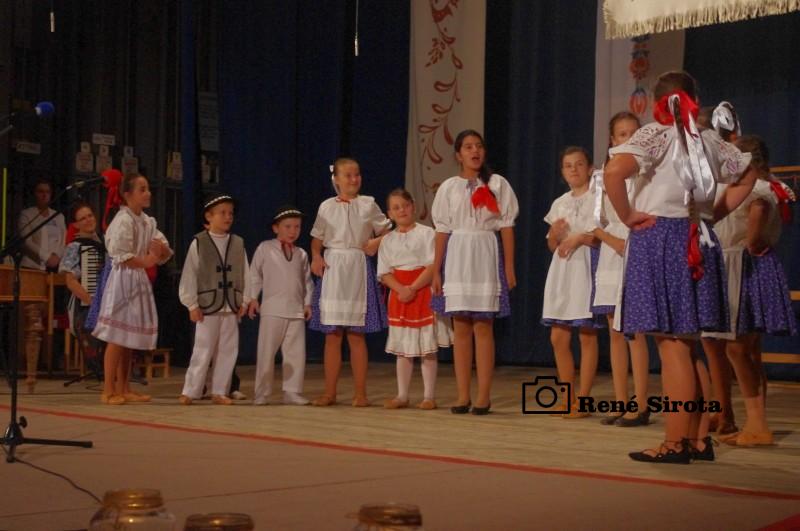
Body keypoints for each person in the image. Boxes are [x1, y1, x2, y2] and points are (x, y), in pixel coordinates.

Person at [604, 71, 759, 463]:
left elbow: (613, 172)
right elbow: (748, 173)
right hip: (699, 236)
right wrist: (713, 213)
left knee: (672, 345)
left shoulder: (657, 134)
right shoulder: (708, 139)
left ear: (659, 102)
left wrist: (627, 216)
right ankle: (699, 438)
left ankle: (675, 443)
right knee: (688, 346)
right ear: (694, 100)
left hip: (661, 237)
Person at [709, 135, 797, 447]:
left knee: (738, 349)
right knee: (747, 350)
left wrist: (749, 243)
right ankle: (755, 421)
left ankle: (758, 425)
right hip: (741, 263)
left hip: (742, 264)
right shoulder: (762, 187)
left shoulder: (757, 189)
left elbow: (757, 224)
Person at [430, 130, 518, 415]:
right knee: (461, 327)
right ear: (458, 155)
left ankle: (483, 395)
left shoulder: (497, 183)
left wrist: (509, 266)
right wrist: (436, 270)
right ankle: (462, 394)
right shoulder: (448, 187)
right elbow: (442, 230)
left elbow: (506, 226)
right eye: (468, 147)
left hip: (484, 253)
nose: (474, 151)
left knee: (483, 326)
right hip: (458, 256)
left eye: (478, 146)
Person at [309, 158, 392, 407]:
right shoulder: (326, 206)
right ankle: (329, 393)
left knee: (357, 334)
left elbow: (387, 231)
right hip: (334, 267)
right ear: (336, 179)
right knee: (332, 335)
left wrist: (376, 242)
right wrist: (316, 256)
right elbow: (317, 238)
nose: (354, 179)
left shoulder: (368, 204)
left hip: (357, 266)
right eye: (348, 175)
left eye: (357, 174)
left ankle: (361, 393)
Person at [591, 113, 651, 427]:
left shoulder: (646, 172)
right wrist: (611, 240)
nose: (628, 138)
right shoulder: (601, 176)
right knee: (615, 330)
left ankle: (641, 404)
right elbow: (593, 220)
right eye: (622, 134)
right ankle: (620, 401)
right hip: (612, 251)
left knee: (633, 330)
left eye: (633, 133)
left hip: (637, 245)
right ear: (613, 140)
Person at [92, 173, 173, 405]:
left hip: (137, 279)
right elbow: (121, 254)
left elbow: (162, 246)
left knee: (128, 337)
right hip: (123, 279)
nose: (148, 193)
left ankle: (124, 387)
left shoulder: (147, 221)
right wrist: (148, 260)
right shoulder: (123, 219)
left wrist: (160, 251)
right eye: (142, 189)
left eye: (148, 189)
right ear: (127, 194)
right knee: (116, 336)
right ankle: (108, 389)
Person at [541, 146, 601, 417]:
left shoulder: (598, 198)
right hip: (563, 271)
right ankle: (567, 396)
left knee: (587, 334)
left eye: (579, 164)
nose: (574, 169)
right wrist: (555, 234)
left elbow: (601, 237)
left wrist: (579, 238)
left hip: (586, 266)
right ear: (562, 172)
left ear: (590, 168)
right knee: (558, 336)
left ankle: (584, 399)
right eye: (568, 165)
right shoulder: (560, 203)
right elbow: (552, 245)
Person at [378, 189, 450, 410]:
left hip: (422, 292)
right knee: (403, 349)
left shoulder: (428, 233)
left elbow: (432, 265)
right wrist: (401, 289)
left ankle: (429, 396)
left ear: (414, 206)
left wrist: (413, 287)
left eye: (405, 205)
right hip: (400, 295)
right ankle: (402, 395)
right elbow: (384, 272)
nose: (402, 210)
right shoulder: (387, 240)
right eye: (396, 208)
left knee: (427, 349)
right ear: (389, 214)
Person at [178, 193, 249, 406]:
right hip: (208, 305)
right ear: (209, 216)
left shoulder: (238, 243)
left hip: (231, 305)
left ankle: (220, 391)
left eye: (230, 213)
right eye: (222, 213)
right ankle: (190, 390)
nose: (228, 217)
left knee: (228, 350)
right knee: (203, 348)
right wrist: (191, 304)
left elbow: (246, 274)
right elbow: (190, 274)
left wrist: (245, 300)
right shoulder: (199, 242)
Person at [247, 205, 314, 406]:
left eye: (297, 227)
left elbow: (307, 281)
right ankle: (262, 392)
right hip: (272, 310)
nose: (293, 231)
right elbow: (255, 274)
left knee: (295, 354)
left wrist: (307, 303)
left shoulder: (301, 253)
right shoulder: (265, 248)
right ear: (276, 228)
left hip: (295, 311)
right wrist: (252, 298)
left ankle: (292, 391)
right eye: (288, 226)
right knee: (266, 352)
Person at [60, 202, 105, 373]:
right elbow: (70, 281)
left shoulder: (106, 242)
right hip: (85, 305)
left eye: (90, 216)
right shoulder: (74, 247)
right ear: (76, 224)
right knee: (89, 328)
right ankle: (99, 367)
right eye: (82, 218)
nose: (88, 220)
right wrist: (92, 301)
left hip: (108, 304)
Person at [18, 179, 66, 272]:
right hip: (32, 266)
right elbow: (27, 241)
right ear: (34, 194)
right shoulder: (27, 214)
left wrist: (57, 256)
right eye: (41, 191)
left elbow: (63, 240)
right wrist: (47, 257)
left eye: (47, 192)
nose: (44, 195)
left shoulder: (58, 216)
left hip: (54, 266)